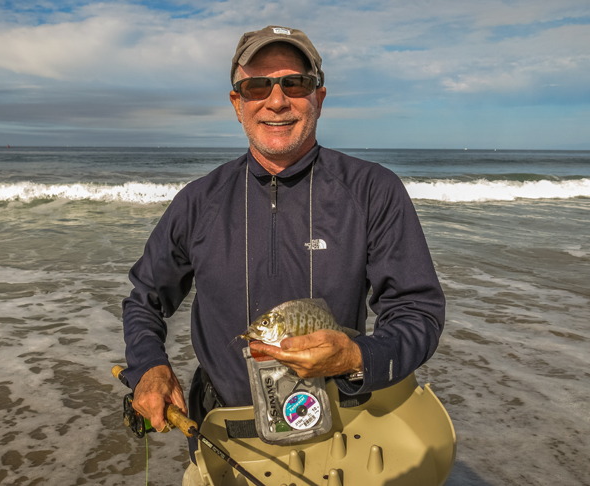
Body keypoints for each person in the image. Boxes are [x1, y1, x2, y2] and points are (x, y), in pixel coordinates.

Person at [122, 25, 445, 483]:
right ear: (237, 104)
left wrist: (357, 357)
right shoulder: (198, 201)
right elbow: (144, 299)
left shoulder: (373, 191)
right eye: (257, 85)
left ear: (320, 97)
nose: (276, 101)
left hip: (341, 440)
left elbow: (419, 313)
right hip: (222, 438)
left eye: (295, 83)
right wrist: (148, 366)